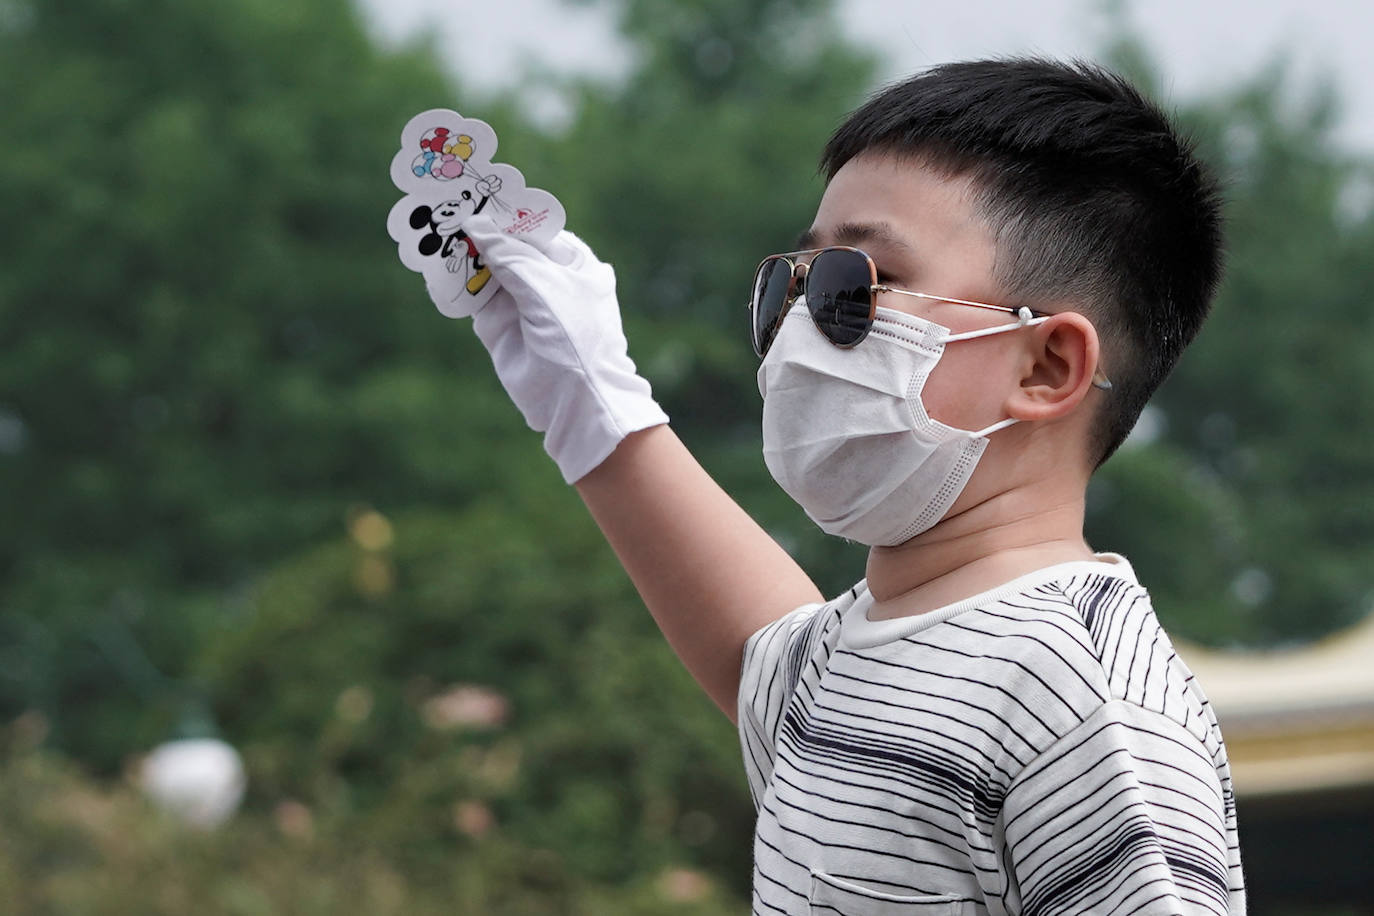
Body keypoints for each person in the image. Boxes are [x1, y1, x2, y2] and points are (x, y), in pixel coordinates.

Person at [453, 58, 1245, 915]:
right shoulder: (855, 655)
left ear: (1048, 365)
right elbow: (754, 645)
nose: (801, 326)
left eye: (857, 285)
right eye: (793, 285)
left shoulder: (1087, 698)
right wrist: (586, 395)